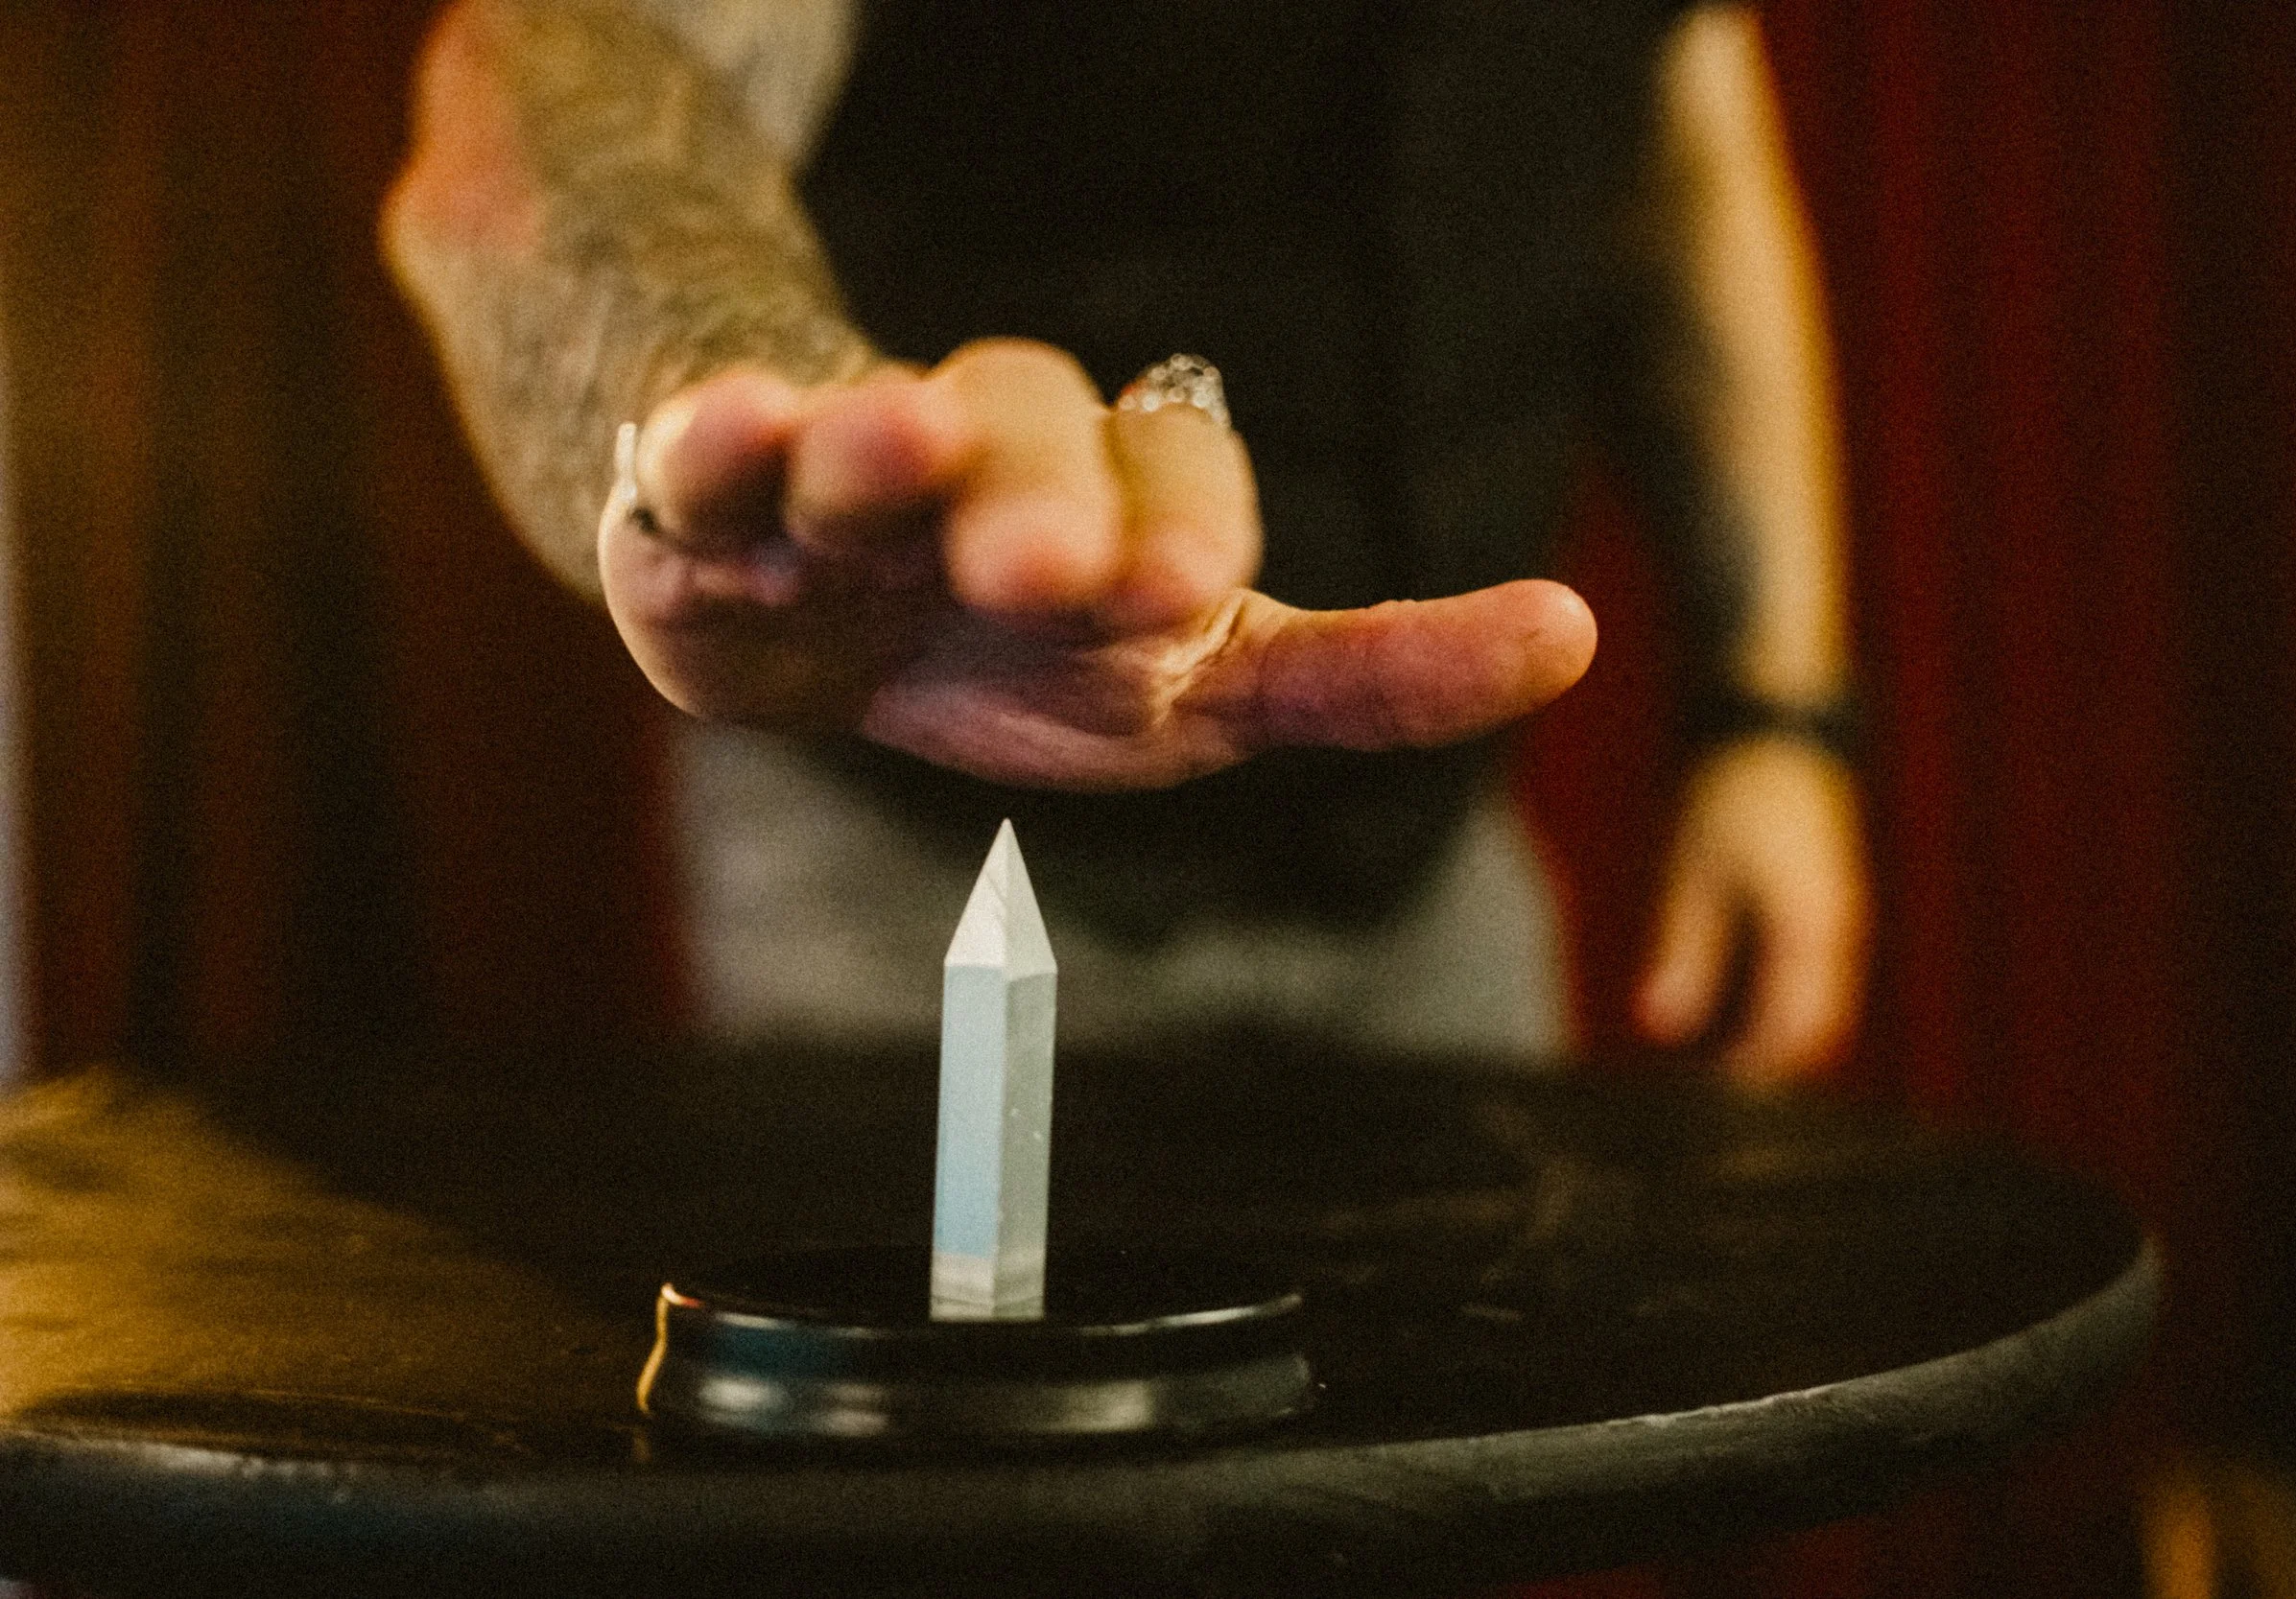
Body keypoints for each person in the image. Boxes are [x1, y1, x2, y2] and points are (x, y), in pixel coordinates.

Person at [382, 0, 1867, 1084]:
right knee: (946, 1497)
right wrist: (748, 409)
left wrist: (1774, 712)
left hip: (1435, 860)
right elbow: (588, 70)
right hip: (926, 868)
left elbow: (1689, 133)